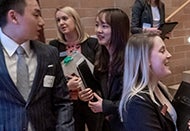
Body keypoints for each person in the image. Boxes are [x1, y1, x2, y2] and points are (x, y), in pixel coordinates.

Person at [0, 0, 74, 130]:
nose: (42, 22)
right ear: (14, 17)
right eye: (36, 15)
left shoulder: (49, 53)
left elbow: (62, 102)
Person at [119, 33, 190, 131]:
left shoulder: (159, 87)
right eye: (162, 51)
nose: (169, 55)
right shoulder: (137, 103)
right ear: (146, 59)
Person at [49, 6, 105, 131]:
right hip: (69, 102)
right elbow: (53, 76)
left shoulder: (92, 43)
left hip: (91, 99)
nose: (61, 23)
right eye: (58, 20)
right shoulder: (54, 47)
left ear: (75, 20)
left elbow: (100, 74)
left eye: (65, 18)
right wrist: (67, 86)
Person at [78, 8, 129, 131]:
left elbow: (136, 102)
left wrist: (106, 106)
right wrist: (86, 94)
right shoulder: (102, 57)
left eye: (104, 26)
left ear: (118, 30)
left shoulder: (130, 60)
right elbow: (102, 91)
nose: (98, 31)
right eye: (97, 25)